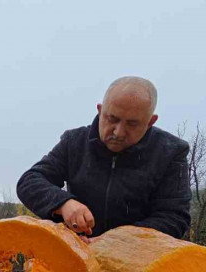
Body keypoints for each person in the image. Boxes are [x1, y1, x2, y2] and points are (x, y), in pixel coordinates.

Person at [17, 76, 191, 240]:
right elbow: (29, 182)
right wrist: (63, 203)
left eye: (132, 123)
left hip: (137, 262)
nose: (119, 132)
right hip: (75, 254)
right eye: (112, 119)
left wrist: (116, 241)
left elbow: (174, 218)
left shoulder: (171, 152)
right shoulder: (74, 142)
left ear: (150, 122)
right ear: (100, 111)